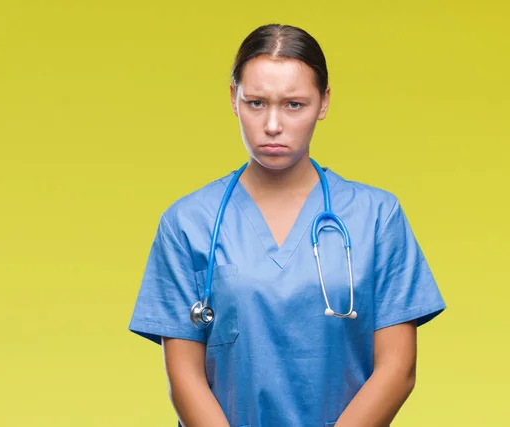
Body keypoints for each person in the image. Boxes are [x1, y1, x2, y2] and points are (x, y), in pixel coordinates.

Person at [128, 23, 446, 427]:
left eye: (294, 104)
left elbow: (398, 369)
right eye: (256, 103)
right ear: (233, 98)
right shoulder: (188, 222)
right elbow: (184, 376)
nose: (273, 125)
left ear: (324, 102)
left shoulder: (377, 217)